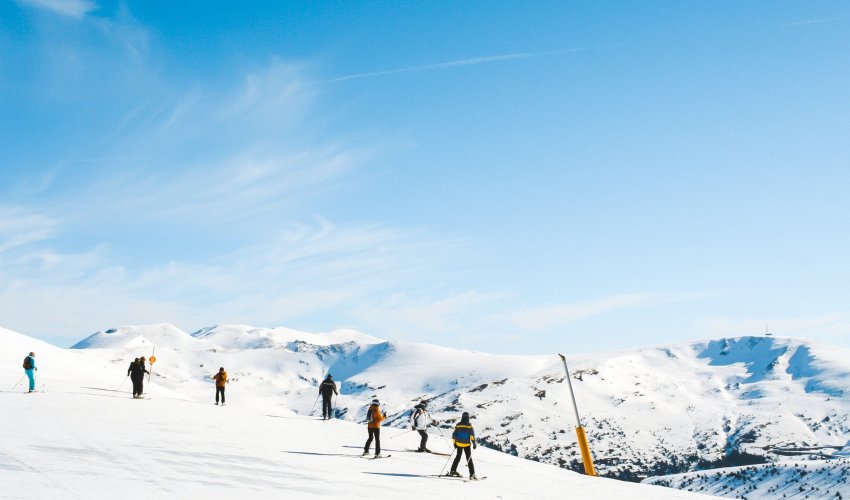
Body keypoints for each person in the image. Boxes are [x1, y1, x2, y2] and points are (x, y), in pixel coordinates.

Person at [448, 411, 477, 479]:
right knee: (469, 459)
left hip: (458, 444)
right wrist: (474, 444)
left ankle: (453, 470)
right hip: (466, 444)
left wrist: (454, 443)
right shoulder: (469, 425)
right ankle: (472, 474)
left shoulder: (458, 425)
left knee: (458, 457)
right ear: (468, 418)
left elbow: (454, 435)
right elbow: (472, 436)